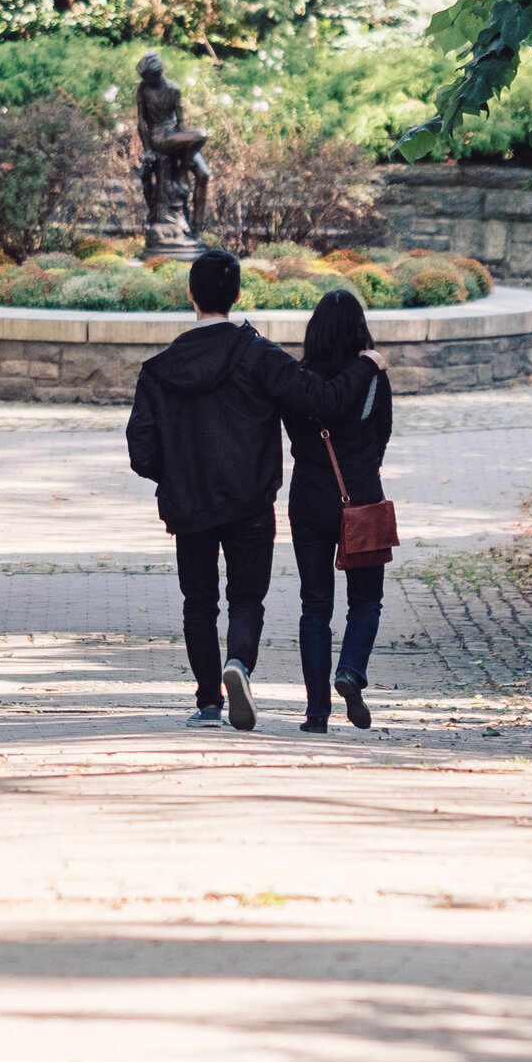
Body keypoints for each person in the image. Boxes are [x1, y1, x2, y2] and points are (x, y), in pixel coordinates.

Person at [126, 251, 386, 732]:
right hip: (249, 501)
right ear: (238, 295)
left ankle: (208, 703)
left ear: (190, 295)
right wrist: (367, 365)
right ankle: (239, 664)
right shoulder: (258, 354)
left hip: (190, 503)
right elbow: (321, 400)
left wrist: (178, 473)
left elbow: (141, 451)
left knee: (198, 603)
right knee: (247, 598)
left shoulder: (161, 369)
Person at [280, 290, 392, 732]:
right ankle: (350, 670)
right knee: (365, 599)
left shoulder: (298, 379)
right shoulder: (372, 376)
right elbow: (383, 433)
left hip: (308, 495)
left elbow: (292, 431)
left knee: (315, 605)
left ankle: (316, 714)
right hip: (361, 495)